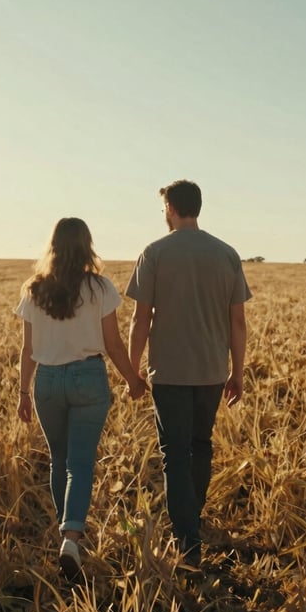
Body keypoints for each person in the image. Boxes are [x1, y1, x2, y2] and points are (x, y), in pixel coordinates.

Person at [126, 180, 252, 570]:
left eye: (164, 207)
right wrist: (238, 371)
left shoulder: (155, 253)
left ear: (170, 208)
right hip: (212, 371)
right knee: (201, 445)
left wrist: (132, 369)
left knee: (174, 454)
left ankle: (187, 539)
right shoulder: (226, 254)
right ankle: (190, 519)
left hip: (169, 372)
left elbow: (140, 318)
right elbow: (238, 322)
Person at [16, 217, 147, 580]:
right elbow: (114, 344)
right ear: (87, 245)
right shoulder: (100, 288)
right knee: (81, 464)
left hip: (46, 380)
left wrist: (23, 392)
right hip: (88, 378)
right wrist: (133, 381)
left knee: (60, 461)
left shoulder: (34, 289)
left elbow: (28, 349)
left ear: (53, 246)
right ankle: (71, 538)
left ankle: (66, 534)